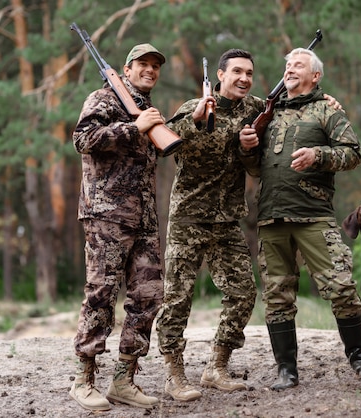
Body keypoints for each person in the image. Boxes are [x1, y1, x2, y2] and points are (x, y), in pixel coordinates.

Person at [239, 48, 361, 391]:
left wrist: (318, 155)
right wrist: (245, 147)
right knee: (276, 295)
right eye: (286, 65)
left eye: (298, 65)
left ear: (316, 76)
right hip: (270, 217)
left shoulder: (327, 110)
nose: (289, 70)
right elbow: (255, 164)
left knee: (341, 288)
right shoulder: (267, 112)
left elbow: (353, 153)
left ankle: (359, 357)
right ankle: (286, 368)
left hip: (313, 215)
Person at [155, 49, 262, 401]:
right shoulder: (194, 107)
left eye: (249, 73)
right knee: (177, 299)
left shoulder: (254, 109)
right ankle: (174, 374)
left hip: (228, 219)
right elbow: (164, 142)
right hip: (188, 218)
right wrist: (196, 121)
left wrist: (326, 102)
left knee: (244, 292)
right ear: (220, 75)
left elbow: (290, 106)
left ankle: (217, 367)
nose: (244, 78)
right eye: (237, 72)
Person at [70, 44, 168, 411]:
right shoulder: (102, 99)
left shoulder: (147, 108)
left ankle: (124, 380)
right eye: (143, 64)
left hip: (144, 219)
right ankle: (84, 379)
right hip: (106, 215)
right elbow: (83, 140)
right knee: (101, 295)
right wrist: (133, 128)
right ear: (127, 69)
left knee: (149, 296)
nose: (150, 70)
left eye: (155, 65)